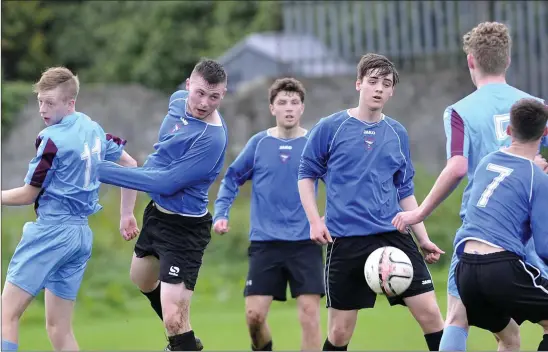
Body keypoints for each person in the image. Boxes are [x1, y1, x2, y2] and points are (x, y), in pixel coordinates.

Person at [391, 21, 548, 351]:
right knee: (514, 333)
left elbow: (458, 166)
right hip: (530, 230)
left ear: (471, 61)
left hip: (480, 232)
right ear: (507, 60)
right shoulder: (535, 106)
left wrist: (419, 212)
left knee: (457, 317)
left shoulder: (460, 110)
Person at [298, 53, 445, 352]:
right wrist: (315, 220)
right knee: (339, 333)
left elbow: (404, 190)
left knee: (431, 315)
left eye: (386, 83)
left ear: (392, 92)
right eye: (373, 81)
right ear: (359, 84)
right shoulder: (331, 127)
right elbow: (306, 174)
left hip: (393, 235)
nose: (379, 88)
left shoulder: (396, 133)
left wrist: (424, 238)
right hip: (346, 240)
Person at [1, 67, 139, 351]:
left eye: (50, 103)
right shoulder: (94, 129)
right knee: (59, 330)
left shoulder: (51, 140)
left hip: (51, 232)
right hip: (80, 238)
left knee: (6, 314)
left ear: (70, 102)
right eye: (40, 101)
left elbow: (29, 194)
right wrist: (126, 214)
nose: (42, 109)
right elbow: (131, 164)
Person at [97, 59, 228, 351]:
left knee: (173, 319)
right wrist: (127, 211)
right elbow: (163, 151)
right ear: (187, 86)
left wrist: (96, 169)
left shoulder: (212, 139)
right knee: (141, 279)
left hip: (186, 228)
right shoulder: (177, 102)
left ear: (223, 96)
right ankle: (185, 339)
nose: (205, 103)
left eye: (214, 96)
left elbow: (165, 182)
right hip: (157, 216)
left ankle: (179, 335)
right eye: (200, 93)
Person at [212, 77, 324, 351]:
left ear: (302, 108)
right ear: (272, 108)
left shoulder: (314, 145)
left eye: (294, 102)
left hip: (305, 242)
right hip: (266, 242)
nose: (289, 107)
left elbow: (340, 184)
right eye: (282, 102)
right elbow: (232, 178)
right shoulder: (258, 144)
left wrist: (327, 219)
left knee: (310, 316)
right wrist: (221, 213)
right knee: (254, 316)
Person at [453, 98, 548, 351]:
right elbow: (545, 248)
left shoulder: (486, 162)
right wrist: (538, 177)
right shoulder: (536, 178)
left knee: (510, 337)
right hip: (500, 270)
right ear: (545, 132)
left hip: (465, 272)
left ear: (508, 130)